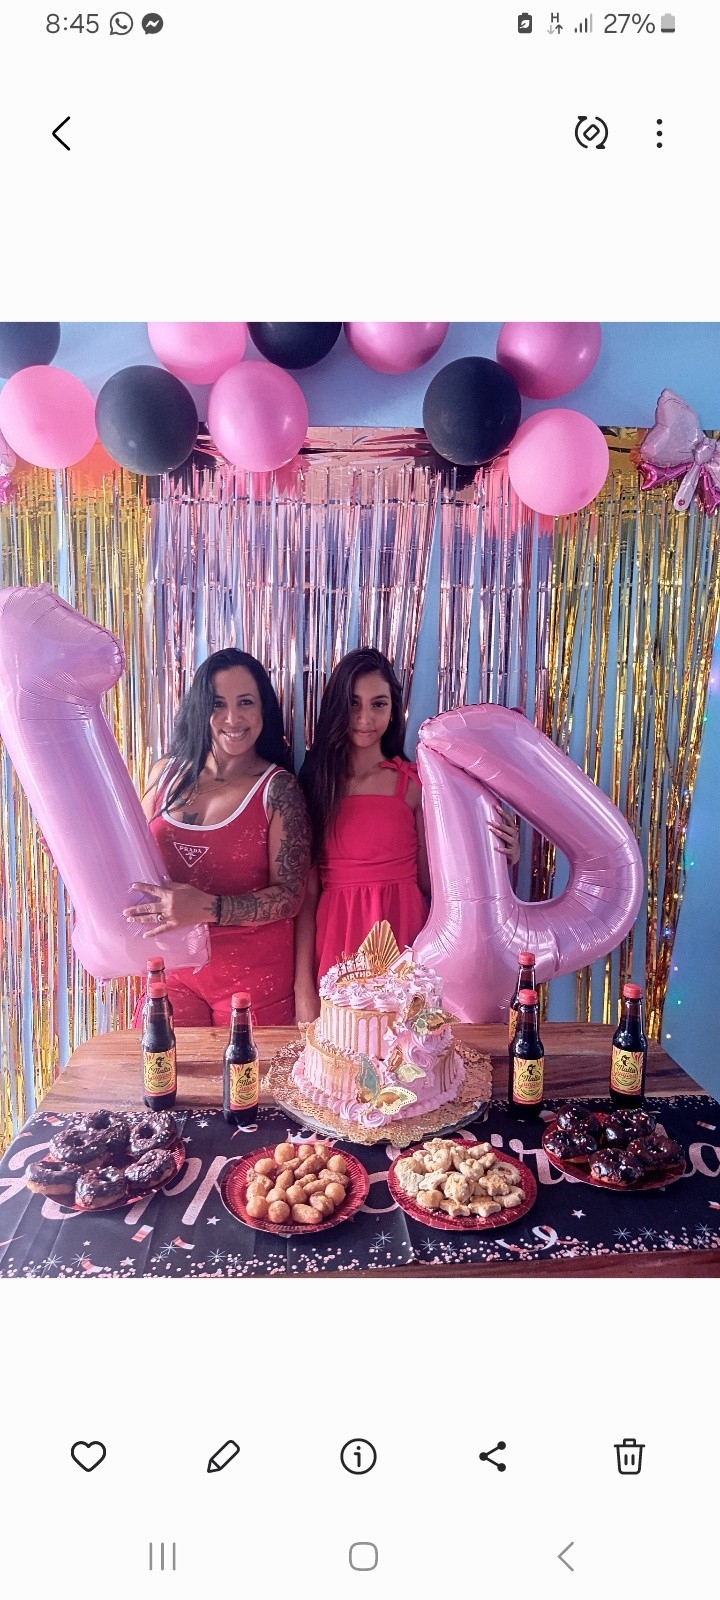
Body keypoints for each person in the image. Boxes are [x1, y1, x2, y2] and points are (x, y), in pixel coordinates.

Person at [294, 648, 519, 1024]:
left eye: (378, 704)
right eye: (353, 703)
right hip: (337, 937)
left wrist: (499, 855)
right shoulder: (316, 785)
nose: (365, 718)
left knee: (406, 1050)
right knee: (343, 1049)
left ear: (394, 709)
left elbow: (435, 883)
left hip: (405, 936)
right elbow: (308, 895)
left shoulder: (414, 783)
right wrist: (302, 987)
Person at [123, 648, 311, 1026]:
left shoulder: (279, 790)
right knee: (162, 1065)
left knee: (250, 1069)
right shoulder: (164, 775)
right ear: (199, 708)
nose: (232, 718)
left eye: (246, 702)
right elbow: (132, 862)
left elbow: (290, 897)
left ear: (263, 709)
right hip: (170, 971)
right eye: (218, 703)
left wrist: (208, 908)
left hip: (254, 979)